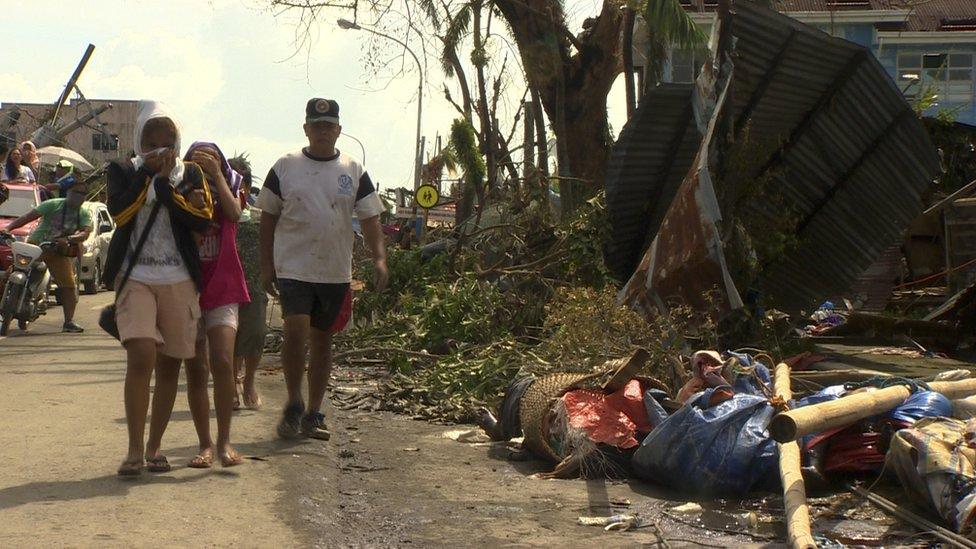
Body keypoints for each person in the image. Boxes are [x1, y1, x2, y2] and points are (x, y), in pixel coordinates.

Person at [257, 98, 388, 441]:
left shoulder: (353, 170)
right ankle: (294, 402)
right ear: (306, 129)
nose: (323, 131)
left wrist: (379, 258)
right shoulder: (285, 166)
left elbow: (371, 218)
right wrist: (267, 264)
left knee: (322, 341)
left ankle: (314, 412)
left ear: (339, 130)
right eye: (316, 126)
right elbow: (268, 216)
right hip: (293, 266)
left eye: (329, 126)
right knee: (296, 329)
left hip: (333, 270)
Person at [103, 101, 213, 476]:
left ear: (178, 139)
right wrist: (147, 177)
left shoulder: (192, 173)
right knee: (142, 353)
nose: (160, 147)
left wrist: (168, 187)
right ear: (138, 140)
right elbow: (119, 214)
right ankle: (134, 449)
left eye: (168, 139)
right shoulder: (122, 170)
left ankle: (154, 448)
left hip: (180, 278)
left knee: (169, 366)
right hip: (136, 277)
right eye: (151, 139)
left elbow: (202, 219)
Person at [145, 141, 247, 469]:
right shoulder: (179, 195)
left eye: (213, 158)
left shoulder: (232, 189)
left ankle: (225, 442)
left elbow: (234, 214)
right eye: (198, 161)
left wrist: (217, 175)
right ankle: (205, 444)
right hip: (186, 288)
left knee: (222, 360)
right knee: (196, 369)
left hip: (224, 288)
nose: (205, 163)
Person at [1, 177, 92, 332]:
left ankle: (68, 321)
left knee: (69, 287)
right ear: (68, 192)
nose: (79, 196)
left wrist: (69, 238)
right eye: (76, 192)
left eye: (83, 194)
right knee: (10, 273)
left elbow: (84, 233)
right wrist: (8, 229)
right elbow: (26, 218)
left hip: (58, 251)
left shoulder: (83, 213)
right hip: (36, 246)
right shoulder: (53, 204)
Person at [230, 155, 265, 410]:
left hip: (254, 283)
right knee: (229, 336)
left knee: (255, 333)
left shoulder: (258, 216)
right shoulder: (215, 211)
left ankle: (250, 380)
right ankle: (231, 383)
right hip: (225, 284)